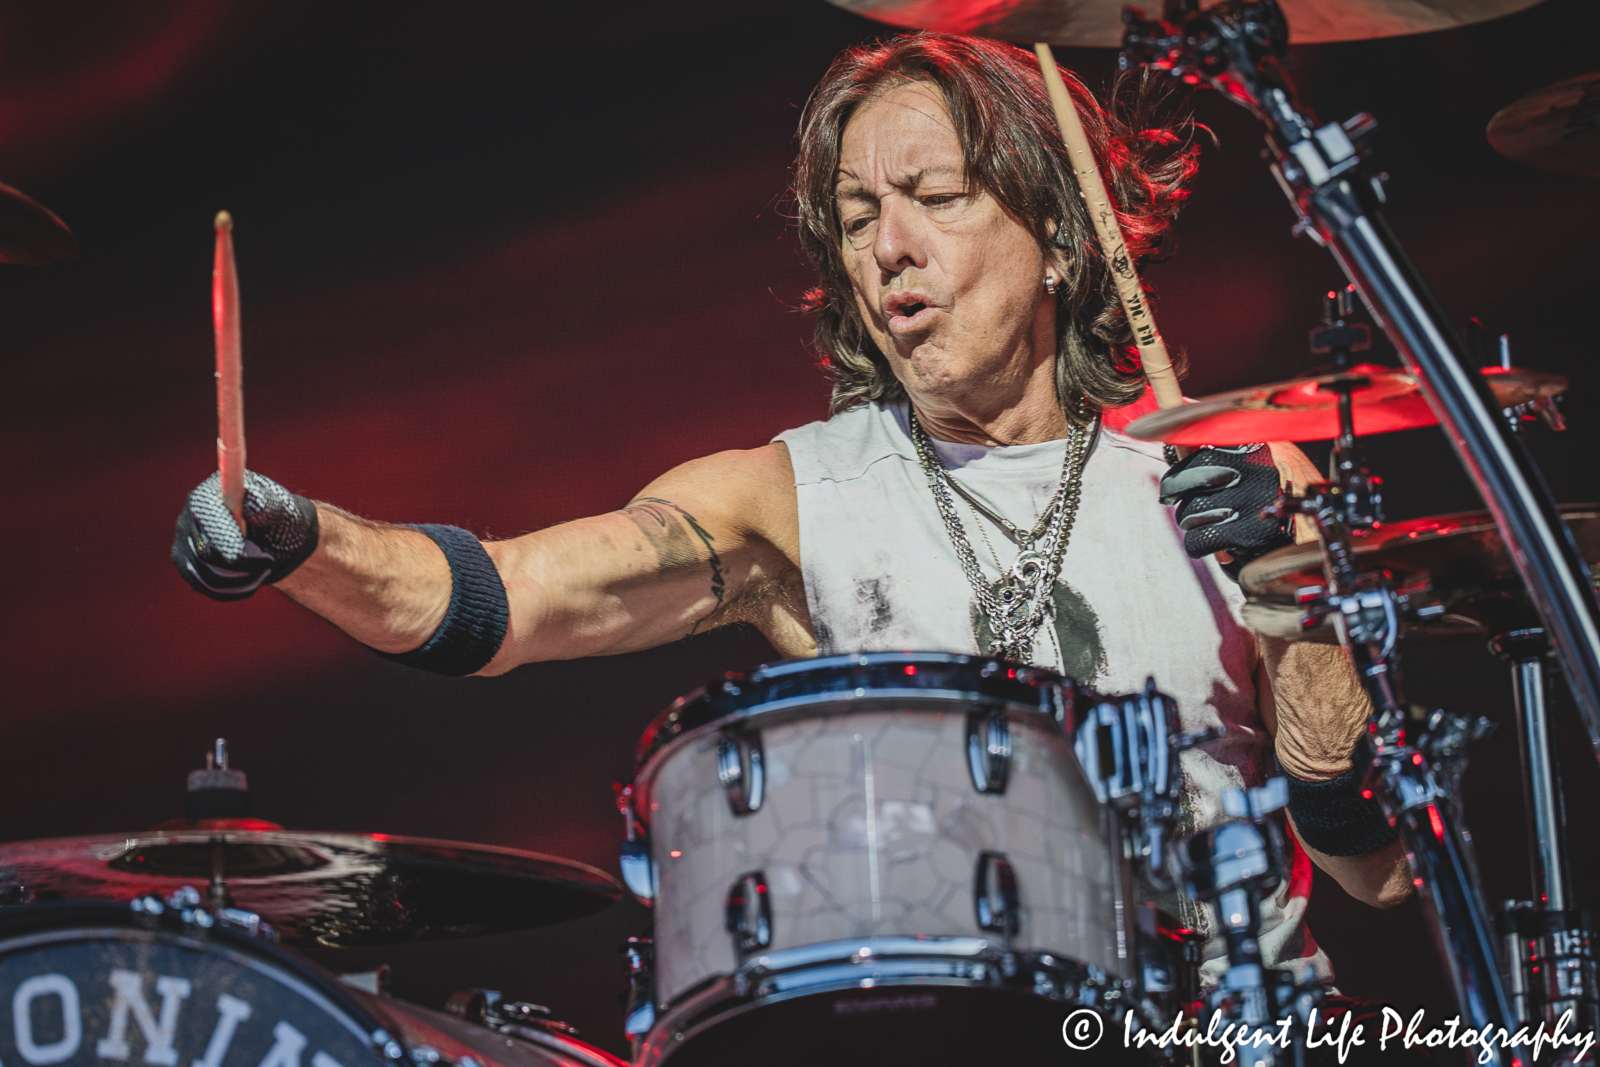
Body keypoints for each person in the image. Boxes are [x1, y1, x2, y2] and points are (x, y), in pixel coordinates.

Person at [172, 33, 1411, 991]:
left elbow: (1378, 865)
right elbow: (507, 598)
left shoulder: (1240, 475)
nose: (889, 248)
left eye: (934, 195)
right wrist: (298, 534)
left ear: (1061, 239)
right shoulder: (790, 497)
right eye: (860, 216)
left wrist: (1288, 589)